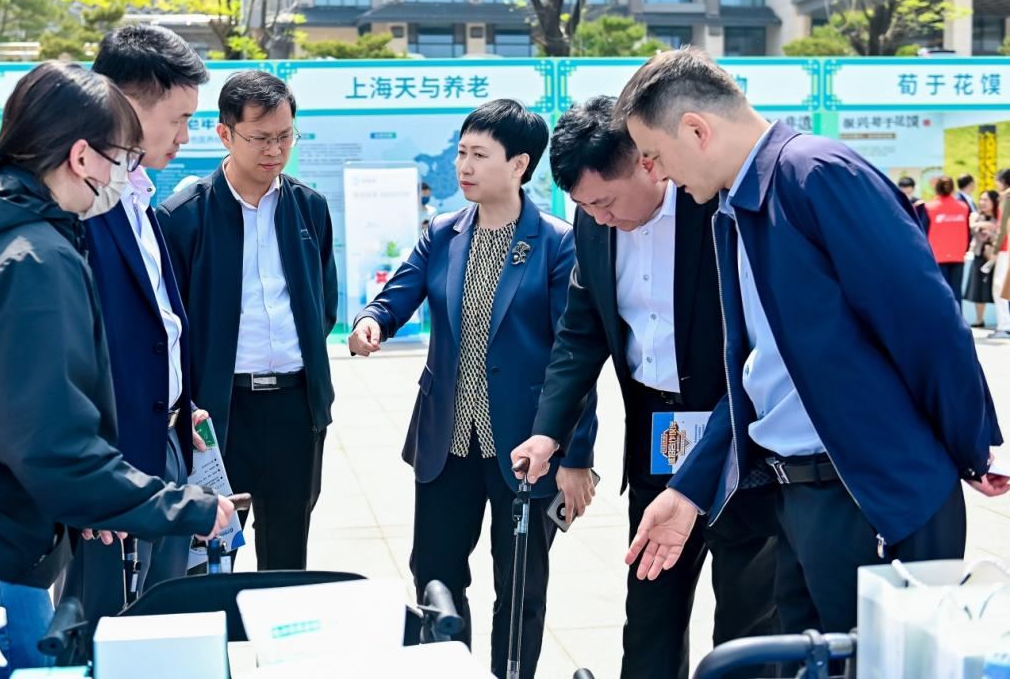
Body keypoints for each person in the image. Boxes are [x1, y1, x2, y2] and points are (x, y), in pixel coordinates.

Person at [0, 62, 231, 679]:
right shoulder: (33, 257)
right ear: (81, 157)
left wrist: (91, 503)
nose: (124, 175)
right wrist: (189, 508)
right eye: (122, 159)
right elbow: (54, 451)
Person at [615, 48, 1005, 640]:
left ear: (695, 129)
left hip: (870, 495)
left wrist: (971, 442)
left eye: (655, 155)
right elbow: (761, 377)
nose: (658, 174)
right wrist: (689, 488)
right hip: (801, 497)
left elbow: (926, 324)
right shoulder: (738, 210)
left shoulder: (817, 175)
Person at [510, 96, 778, 679]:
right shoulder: (593, 224)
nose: (599, 217)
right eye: (585, 206)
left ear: (646, 162)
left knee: (747, 614)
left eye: (605, 201)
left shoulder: (715, 208)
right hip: (661, 437)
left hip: (737, 432)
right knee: (651, 609)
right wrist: (548, 432)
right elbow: (580, 333)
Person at [349, 100, 583, 679]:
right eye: (461, 152)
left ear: (520, 164)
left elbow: (573, 357)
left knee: (520, 587)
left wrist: (576, 457)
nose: (464, 166)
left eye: (480, 154)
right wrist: (372, 321)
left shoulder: (556, 243)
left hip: (525, 449)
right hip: (447, 444)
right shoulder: (442, 234)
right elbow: (397, 295)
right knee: (435, 578)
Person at [59, 25, 220, 623]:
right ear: (123, 106)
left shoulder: (139, 196)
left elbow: (158, 325)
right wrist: (88, 473)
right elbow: (70, 353)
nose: (185, 136)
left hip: (168, 441)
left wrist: (182, 401)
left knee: (163, 616)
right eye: (178, 120)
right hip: (111, 460)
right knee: (101, 624)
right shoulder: (80, 206)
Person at [159, 70, 338, 571]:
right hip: (217, 413)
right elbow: (170, 329)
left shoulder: (309, 207)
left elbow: (323, 304)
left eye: (285, 136)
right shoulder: (183, 217)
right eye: (260, 138)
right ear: (225, 133)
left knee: (287, 553)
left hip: (296, 408)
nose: (275, 150)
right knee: (210, 555)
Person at [924, 175, 972, 304]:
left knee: (940, 292)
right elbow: (968, 232)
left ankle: (941, 317)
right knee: (956, 292)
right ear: (952, 188)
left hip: (937, 256)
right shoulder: (963, 207)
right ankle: (957, 317)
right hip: (958, 255)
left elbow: (923, 232)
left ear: (937, 188)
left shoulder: (929, 207)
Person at [966, 189, 1000, 328]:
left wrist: (990, 230)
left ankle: (1002, 321)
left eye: (986, 200)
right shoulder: (975, 215)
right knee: (978, 288)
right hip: (979, 255)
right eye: (981, 199)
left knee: (998, 288)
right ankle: (979, 319)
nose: (982, 202)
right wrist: (987, 226)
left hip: (996, 257)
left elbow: (1001, 232)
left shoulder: (1000, 215)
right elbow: (972, 228)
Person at [993, 169, 1010, 338]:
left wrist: (995, 249)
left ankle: (1004, 326)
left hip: (1005, 249)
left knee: (1000, 287)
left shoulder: (1006, 198)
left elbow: (1003, 226)